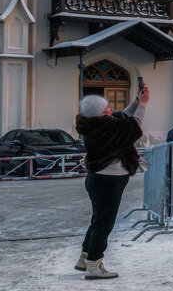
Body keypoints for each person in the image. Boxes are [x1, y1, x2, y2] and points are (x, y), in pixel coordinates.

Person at [74, 84, 149, 280]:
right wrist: (143, 105)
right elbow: (132, 127)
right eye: (106, 106)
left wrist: (134, 103)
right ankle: (94, 265)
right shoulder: (108, 127)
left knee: (97, 220)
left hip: (96, 178)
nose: (110, 107)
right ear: (101, 111)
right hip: (110, 179)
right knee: (104, 223)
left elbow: (120, 118)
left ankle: (85, 258)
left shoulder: (93, 124)